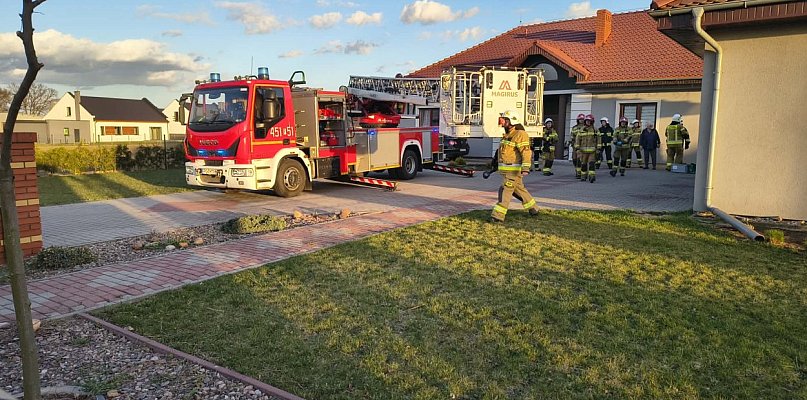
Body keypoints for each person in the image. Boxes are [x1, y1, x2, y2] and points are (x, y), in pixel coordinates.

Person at [490, 110, 540, 222]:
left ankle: (498, 216)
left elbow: (526, 152)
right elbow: (502, 152)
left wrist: (526, 168)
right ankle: (534, 208)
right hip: (507, 171)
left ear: (512, 121)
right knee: (518, 190)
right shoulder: (507, 135)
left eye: (504, 120)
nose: (502, 122)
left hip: (514, 171)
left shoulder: (520, 134)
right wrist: (495, 163)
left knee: (505, 190)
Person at [574, 114, 600, 183]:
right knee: (583, 164)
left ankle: (591, 177)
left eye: (589, 121)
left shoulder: (595, 130)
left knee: (591, 164)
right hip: (583, 151)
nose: (588, 122)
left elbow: (599, 140)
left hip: (592, 151)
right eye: (587, 121)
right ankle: (583, 176)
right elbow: (577, 140)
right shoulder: (581, 130)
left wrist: (598, 149)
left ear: (592, 122)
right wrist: (577, 149)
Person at [570, 113, 586, 178]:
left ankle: (580, 173)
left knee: (581, 160)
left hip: (583, 146)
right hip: (575, 146)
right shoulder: (574, 128)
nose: (581, 121)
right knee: (574, 159)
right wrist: (571, 143)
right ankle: (577, 170)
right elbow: (572, 136)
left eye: (582, 119)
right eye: (580, 119)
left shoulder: (586, 128)